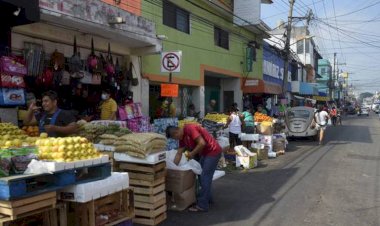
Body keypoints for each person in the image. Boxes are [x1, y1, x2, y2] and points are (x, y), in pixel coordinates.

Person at [166, 124, 222, 212]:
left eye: (175, 138)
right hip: (205, 153)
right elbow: (179, 153)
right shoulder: (182, 138)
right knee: (201, 175)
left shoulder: (189, 128)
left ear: (176, 132)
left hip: (213, 151)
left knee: (205, 177)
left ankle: (202, 205)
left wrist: (192, 154)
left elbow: (202, 143)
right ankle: (208, 198)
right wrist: (174, 167)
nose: (176, 140)